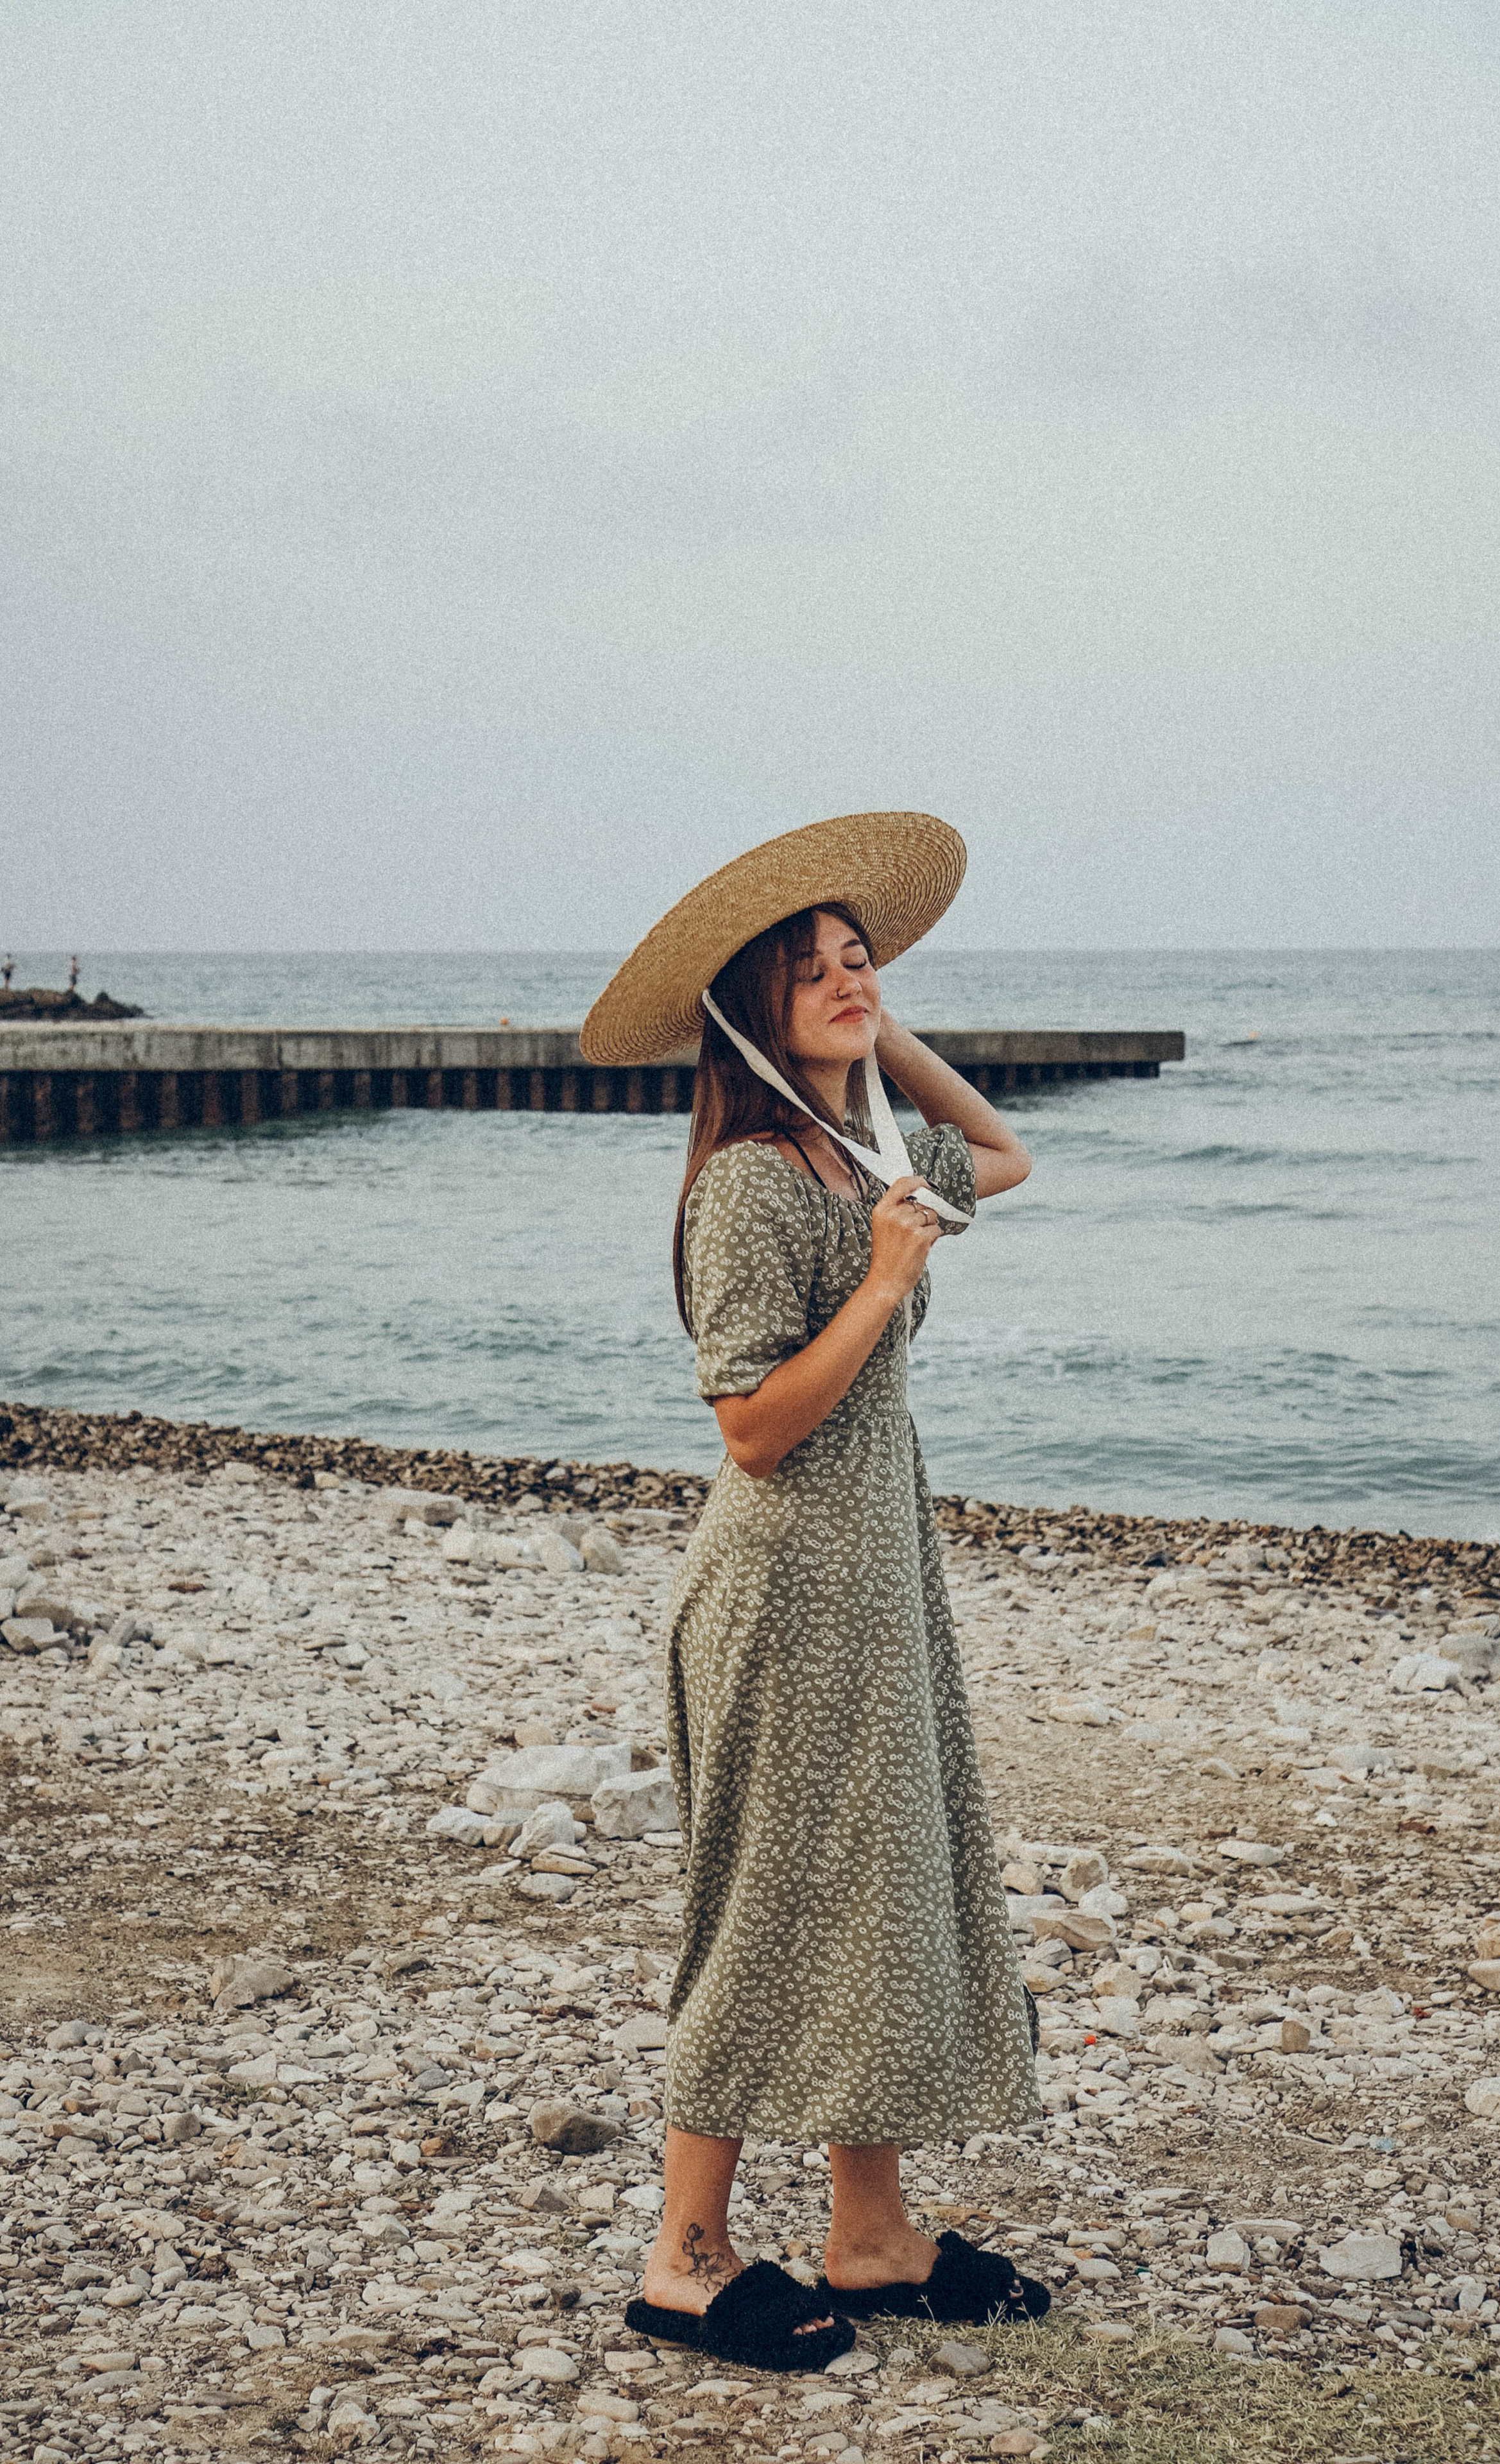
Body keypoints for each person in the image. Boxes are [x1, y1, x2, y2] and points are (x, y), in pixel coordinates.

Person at [581, 813, 1050, 2373]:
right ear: (747, 1013)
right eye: (812, 972)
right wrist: (882, 1281)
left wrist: (876, 1037)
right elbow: (750, 1428)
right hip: (783, 1597)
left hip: (876, 1584)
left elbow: (1004, 1155)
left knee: (879, 1891)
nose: (849, 979)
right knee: (767, 1906)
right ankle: (682, 2261)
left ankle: (870, 2236)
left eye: (861, 959)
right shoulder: (748, 1186)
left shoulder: (866, 1160)